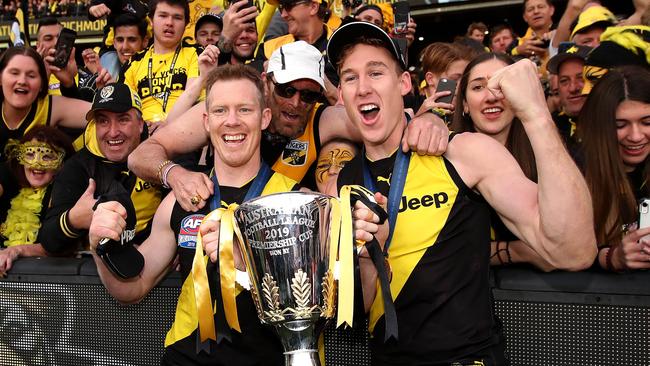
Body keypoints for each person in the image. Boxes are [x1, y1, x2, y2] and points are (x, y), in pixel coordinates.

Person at [328, 21, 595, 364]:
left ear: (404, 83)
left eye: (376, 72)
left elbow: (574, 251)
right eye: (350, 78)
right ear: (341, 96)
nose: (363, 87)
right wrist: (368, 259)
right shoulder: (343, 183)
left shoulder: (464, 152)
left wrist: (536, 114)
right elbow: (356, 314)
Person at [88, 64, 297, 365]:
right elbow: (132, 288)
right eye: (221, 111)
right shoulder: (181, 199)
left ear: (264, 118)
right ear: (206, 121)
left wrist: (247, 262)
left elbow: (311, 306)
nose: (232, 122)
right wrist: (100, 248)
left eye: (245, 110)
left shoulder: (294, 201)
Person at [129, 40, 448, 211]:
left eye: (308, 94)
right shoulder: (233, 112)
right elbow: (142, 154)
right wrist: (176, 175)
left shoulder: (322, 118)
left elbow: (386, 122)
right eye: (286, 90)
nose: (296, 102)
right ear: (267, 83)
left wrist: (427, 120)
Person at [451, 52, 555, 271]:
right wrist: (518, 252)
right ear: (465, 104)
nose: (491, 96)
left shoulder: (551, 156)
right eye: (478, 87)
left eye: (502, 85)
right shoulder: (443, 162)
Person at [39, 83, 162, 255]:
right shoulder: (78, 166)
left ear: (141, 124)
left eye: (123, 119)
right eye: (103, 121)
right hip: (95, 267)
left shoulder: (160, 153)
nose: (112, 132)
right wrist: (74, 219)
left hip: (153, 260)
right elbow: (48, 240)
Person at [578, 66, 650, 272]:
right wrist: (611, 257)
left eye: (647, 122)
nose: (635, 136)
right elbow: (557, 253)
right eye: (620, 125)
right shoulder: (575, 172)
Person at [0, 127, 74, 276]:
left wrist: (16, 250)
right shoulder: (10, 190)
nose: (36, 164)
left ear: (61, 163)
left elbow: (60, 248)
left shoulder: (65, 197)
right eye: (30, 154)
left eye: (47, 157)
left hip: (50, 284)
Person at [0, 46, 90, 158]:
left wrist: (69, 84)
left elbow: (103, 113)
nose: (22, 81)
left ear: (42, 84)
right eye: (14, 73)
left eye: (31, 75)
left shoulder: (49, 106)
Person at [120, 0, 200, 124]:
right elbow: (125, 110)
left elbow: (197, 103)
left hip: (184, 130)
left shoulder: (196, 54)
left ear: (186, 24)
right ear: (151, 21)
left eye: (177, 18)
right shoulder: (133, 63)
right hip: (143, 134)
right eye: (163, 16)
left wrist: (167, 125)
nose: (169, 23)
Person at [546, 43, 591, 144]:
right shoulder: (552, 127)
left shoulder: (616, 124)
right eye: (564, 80)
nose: (573, 88)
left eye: (581, 78)